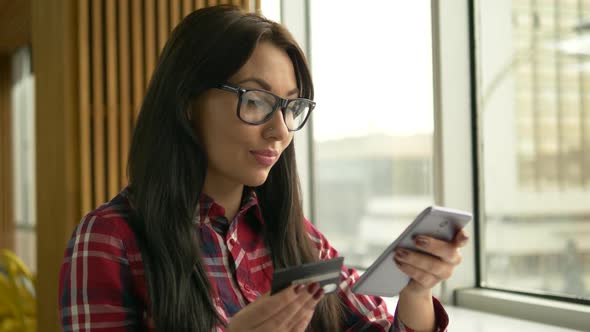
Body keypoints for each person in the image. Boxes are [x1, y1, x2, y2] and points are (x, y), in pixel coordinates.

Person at [58, 5, 468, 332]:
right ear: (187, 102)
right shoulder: (109, 240)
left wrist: (416, 289)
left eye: (292, 107)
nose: (280, 131)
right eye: (255, 100)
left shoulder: (296, 237)